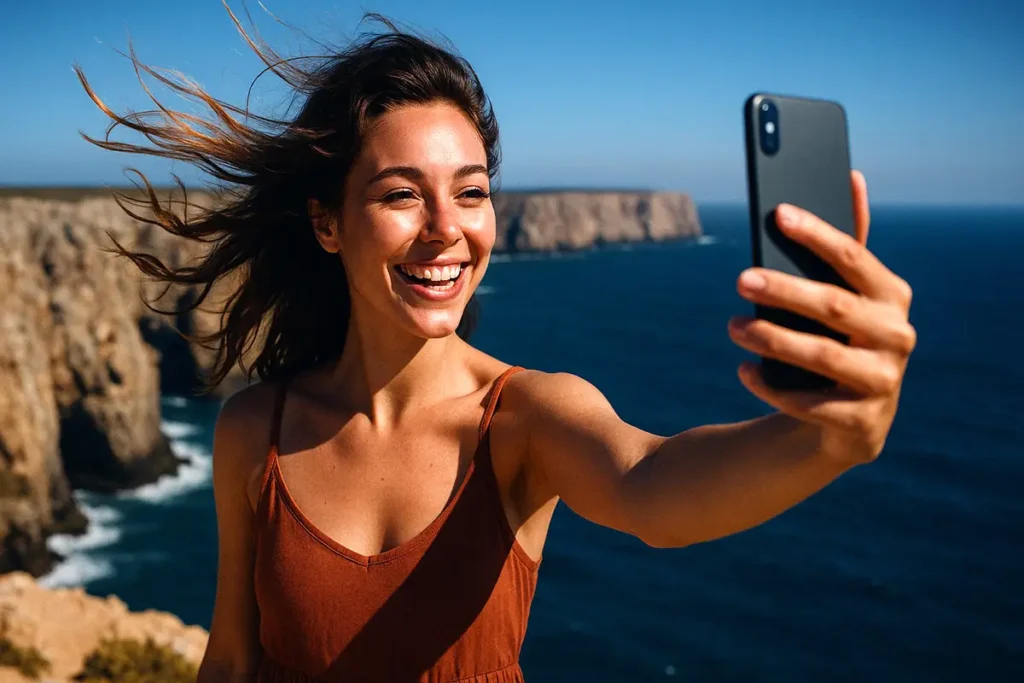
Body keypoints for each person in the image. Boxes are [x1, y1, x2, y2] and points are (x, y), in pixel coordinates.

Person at [76, 9, 916, 683]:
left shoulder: (523, 421)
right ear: (327, 223)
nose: (447, 229)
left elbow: (652, 484)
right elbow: (231, 660)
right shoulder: (254, 430)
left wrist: (824, 439)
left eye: (471, 192)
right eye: (401, 194)